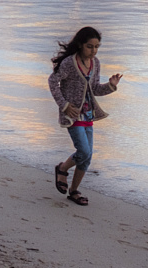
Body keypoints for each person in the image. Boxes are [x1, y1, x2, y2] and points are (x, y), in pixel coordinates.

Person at [48, 26, 122, 206]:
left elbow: (94, 89)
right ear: (81, 44)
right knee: (84, 151)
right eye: (90, 46)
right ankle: (62, 168)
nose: (94, 50)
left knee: (87, 157)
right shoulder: (69, 64)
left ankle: (73, 191)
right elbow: (52, 81)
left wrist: (111, 86)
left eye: (97, 47)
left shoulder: (95, 63)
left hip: (88, 114)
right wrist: (64, 105)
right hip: (73, 115)